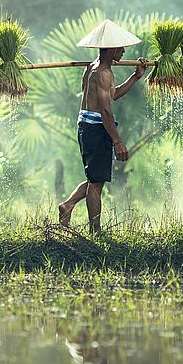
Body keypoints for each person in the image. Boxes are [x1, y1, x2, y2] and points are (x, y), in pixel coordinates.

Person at [58, 19, 149, 234]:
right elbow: (106, 111)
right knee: (97, 185)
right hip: (95, 128)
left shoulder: (93, 68)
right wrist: (117, 141)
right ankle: (95, 231)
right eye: (121, 47)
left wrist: (135, 77)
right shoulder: (103, 73)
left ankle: (67, 205)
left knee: (94, 178)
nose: (124, 51)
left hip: (87, 125)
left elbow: (112, 95)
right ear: (111, 49)